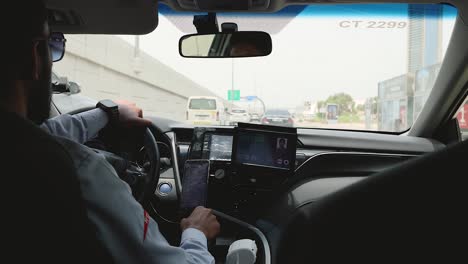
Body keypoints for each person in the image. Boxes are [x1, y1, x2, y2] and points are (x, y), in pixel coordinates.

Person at [1, 1, 220, 263]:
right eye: (53, 45)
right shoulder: (78, 173)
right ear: (33, 56)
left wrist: (108, 113)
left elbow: (44, 134)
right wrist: (196, 233)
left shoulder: (23, 148)